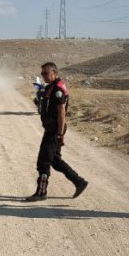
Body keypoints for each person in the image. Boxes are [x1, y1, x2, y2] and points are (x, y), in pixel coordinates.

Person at [25, 62, 89, 201]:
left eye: (46, 73)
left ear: (54, 73)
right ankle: (79, 182)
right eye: (42, 73)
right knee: (55, 160)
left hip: (54, 130)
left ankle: (41, 192)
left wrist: (59, 134)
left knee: (44, 161)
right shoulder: (51, 87)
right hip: (52, 128)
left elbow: (61, 114)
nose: (43, 76)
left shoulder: (57, 90)